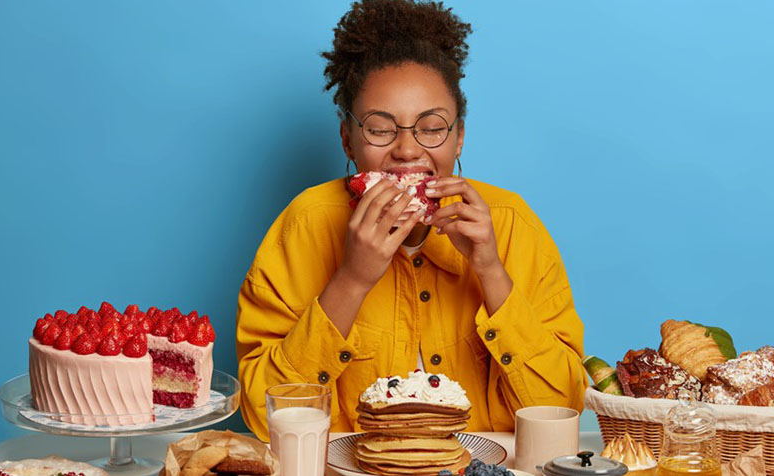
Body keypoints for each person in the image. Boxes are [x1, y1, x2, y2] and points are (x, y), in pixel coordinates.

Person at [236, 0, 586, 441]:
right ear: (348, 140)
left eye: (432, 127)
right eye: (381, 129)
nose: (406, 150)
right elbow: (263, 415)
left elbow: (562, 411)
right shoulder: (304, 226)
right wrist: (352, 280)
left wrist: (491, 271)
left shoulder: (514, 225)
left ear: (459, 138)